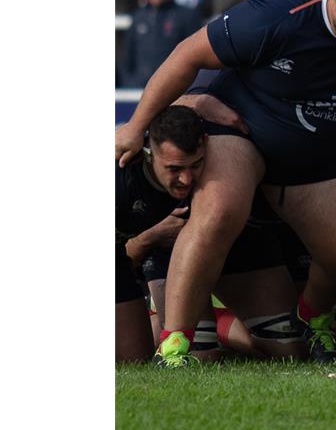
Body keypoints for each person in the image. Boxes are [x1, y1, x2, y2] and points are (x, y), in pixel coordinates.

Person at [115, 0, 336, 366]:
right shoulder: (273, 17)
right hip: (243, 130)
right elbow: (186, 55)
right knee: (219, 209)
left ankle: (312, 314)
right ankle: (175, 343)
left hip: (313, 151)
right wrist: (136, 125)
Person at [117, 106, 303, 364]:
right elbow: (121, 258)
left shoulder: (224, 163)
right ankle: (161, 317)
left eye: (195, 165)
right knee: (143, 359)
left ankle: (217, 321)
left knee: (290, 349)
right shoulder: (120, 176)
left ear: (206, 145)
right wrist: (149, 239)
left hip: (231, 248)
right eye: (173, 168)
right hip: (158, 255)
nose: (185, 179)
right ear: (148, 151)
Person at [119, 0, 205, 88]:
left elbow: (197, 59)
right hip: (137, 94)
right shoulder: (138, 17)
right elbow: (127, 61)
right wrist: (131, 85)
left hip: (174, 94)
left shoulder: (187, 16)